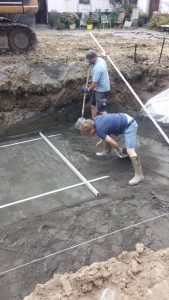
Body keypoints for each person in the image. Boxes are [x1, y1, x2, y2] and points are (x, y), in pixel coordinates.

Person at [80, 113, 144, 186]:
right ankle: (107, 151)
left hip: (130, 125)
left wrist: (118, 149)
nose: (89, 135)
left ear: (92, 128)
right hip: (124, 118)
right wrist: (102, 139)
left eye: (88, 133)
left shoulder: (100, 130)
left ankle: (139, 176)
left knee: (130, 150)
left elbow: (112, 142)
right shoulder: (95, 120)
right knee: (105, 137)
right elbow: (105, 130)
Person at [82, 50, 110, 118]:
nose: (88, 62)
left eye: (89, 60)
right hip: (97, 88)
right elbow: (95, 84)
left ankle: (109, 121)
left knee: (101, 110)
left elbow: (94, 84)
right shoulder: (100, 59)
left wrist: (88, 89)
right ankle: (93, 120)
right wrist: (91, 64)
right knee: (93, 105)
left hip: (101, 90)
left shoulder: (98, 67)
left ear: (94, 58)